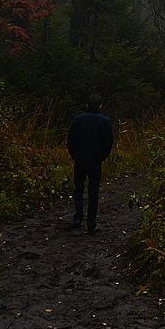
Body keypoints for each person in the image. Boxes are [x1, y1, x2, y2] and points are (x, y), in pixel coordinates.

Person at [66, 94, 114, 235]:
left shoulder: (78, 120)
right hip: (95, 160)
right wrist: (102, 157)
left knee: (78, 188)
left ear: (87, 106)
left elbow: (70, 141)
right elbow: (108, 143)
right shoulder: (105, 121)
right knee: (93, 192)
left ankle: (78, 216)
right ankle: (91, 224)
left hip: (80, 159)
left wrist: (75, 156)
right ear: (100, 106)